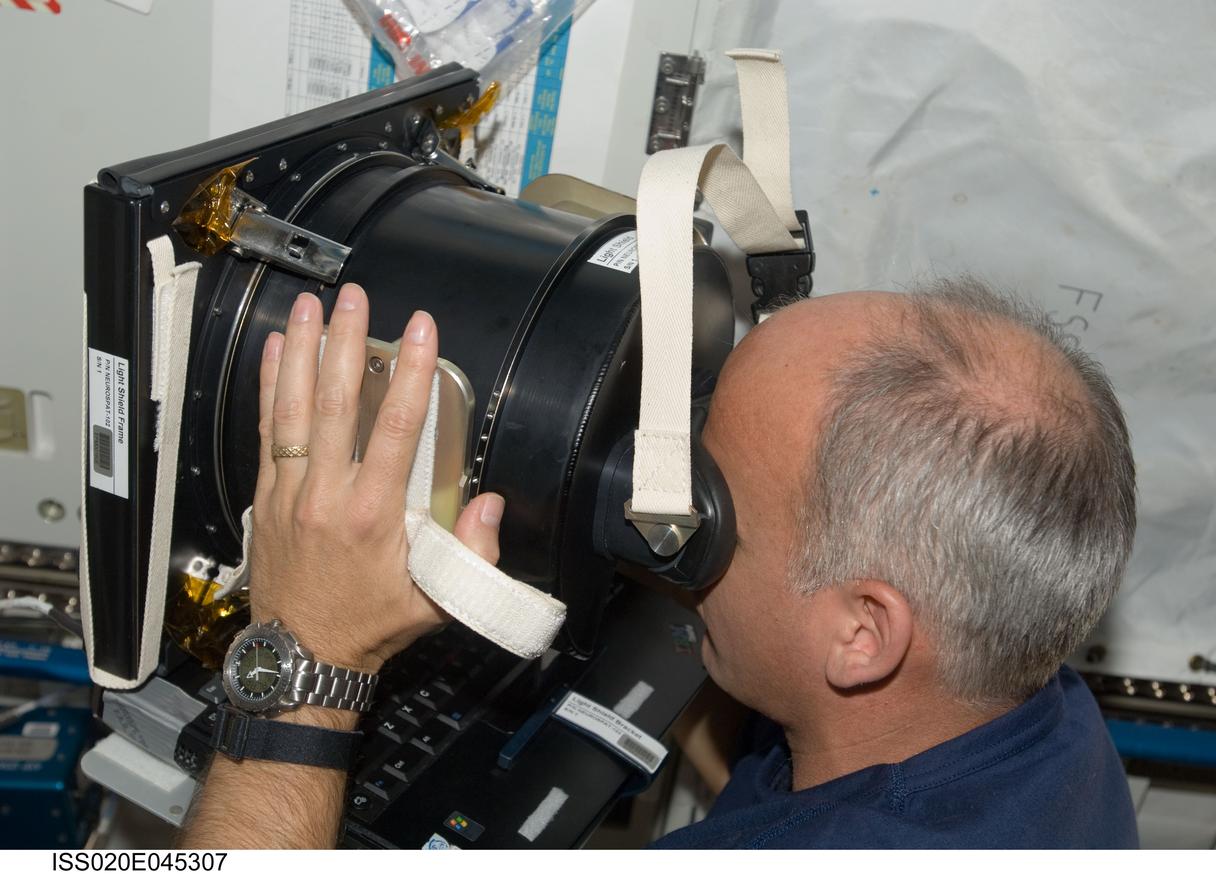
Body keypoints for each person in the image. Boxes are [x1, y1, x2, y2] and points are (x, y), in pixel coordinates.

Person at [179, 276, 1138, 849]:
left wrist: (306, 657)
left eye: (706, 515)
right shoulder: (1038, 722)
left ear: (862, 632)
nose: (657, 517)